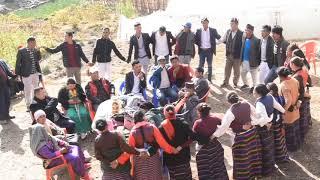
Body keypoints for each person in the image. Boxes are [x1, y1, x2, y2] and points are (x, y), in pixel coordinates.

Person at [210, 92, 262, 179]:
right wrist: (250, 124)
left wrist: (214, 135)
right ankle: (254, 173)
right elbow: (256, 115)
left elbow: (224, 127)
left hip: (239, 137)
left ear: (228, 101)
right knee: (252, 154)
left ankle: (242, 176)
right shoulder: (247, 103)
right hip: (251, 134)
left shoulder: (230, 112)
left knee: (241, 157)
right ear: (237, 98)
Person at [159, 105, 207, 180]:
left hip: (171, 159)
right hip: (184, 156)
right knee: (186, 175)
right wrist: (181, 146)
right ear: (175, 112)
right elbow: (193, 137)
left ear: (165, 114)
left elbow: (160, 143)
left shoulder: (162, 127)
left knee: (174, 176)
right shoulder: (183, 123)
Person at [128, 110, 178, 180]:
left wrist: (119, 160)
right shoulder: (152, 127)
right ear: (144, 118)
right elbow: (162, 143)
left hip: (139, 159)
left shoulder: (133, 132)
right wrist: (172, 150)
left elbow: (129, 149)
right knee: (155, 175)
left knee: (141, 177)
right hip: (153, 156)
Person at [253, 84, 286, 176]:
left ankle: (266, 168)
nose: (253, 93)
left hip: (263, 127)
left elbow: (263, 118)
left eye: (254, 91)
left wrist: (255, 123)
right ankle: (272, 164)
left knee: (263, 147)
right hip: (270, 126)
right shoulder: (270, 96)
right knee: (270, 145)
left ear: (259, 93)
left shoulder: (259, 103)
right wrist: (283, 111)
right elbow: (277, 105)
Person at [192, 103, 228, 180]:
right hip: (215, 146)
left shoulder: (197, 123)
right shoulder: (216, 119)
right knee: (218, 166)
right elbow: (224, 126)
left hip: (202, 148)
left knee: (205, 169)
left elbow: (193, 136)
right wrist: (216, 135)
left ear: (199, 112)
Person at [277, 67, 301, 151]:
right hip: (296, 111)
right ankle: (298, 144)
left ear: (280, 76)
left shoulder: (284, 85)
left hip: (289, 114)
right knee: (296, 129)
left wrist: (283, 110)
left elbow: (288, 100)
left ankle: (291, 148)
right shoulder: (294, 80)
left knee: (290, 132)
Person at [15, 37, 42, 110]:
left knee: (36, 88)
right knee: (27, 89)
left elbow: (39, 59)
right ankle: (28, 104)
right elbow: (18, 64)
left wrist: (39, 51)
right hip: (26, 74)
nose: (35, 44)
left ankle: (35, 102)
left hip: (35, 73)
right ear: (30, 42)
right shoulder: (21, 51)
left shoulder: (35, 50)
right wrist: (17, 74)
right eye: (34, 43)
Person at [266, 82, 289, 163]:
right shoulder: (281, 97)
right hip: (281, 121)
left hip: (275, 122)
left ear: (271, 91)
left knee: (276, 140)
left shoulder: (271, 100)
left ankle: (279, 158)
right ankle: (284, 155)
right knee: (281, 139)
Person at [290, 57, 312, 141]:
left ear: (294, 65)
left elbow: (300, 90)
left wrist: (299, 100)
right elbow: (308, 82)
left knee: (301, 117)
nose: (289, 65)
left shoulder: (297, 76)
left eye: (291, 64)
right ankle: (305, 129)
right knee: (305, 115)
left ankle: (302, 134)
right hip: (305, 96)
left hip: (301, 98)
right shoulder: (304, 69)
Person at [195, 17, 221, 82]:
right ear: (202, 23)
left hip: (209, 50)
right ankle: (200, 79)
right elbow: (195, 40)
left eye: (206, 23)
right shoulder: (198, 30)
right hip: (202, 51)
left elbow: (219, 37)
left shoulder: (213, 30)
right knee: (201, 65)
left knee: (210, 65)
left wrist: (219, 42)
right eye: (203, 23)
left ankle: (209, 80)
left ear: (208, 23)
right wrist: (200, 45)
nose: (205, 24)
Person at [220, 18, 244, 88]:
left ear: (237, 24)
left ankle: (235, 83)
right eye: (231, 24)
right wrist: (214, 43)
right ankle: (225, 82)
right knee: (227, 70)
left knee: (236, 71)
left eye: (233, 24)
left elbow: (244, 45)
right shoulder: (228, 31)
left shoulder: (242, 33)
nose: (231, 26)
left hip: (237, 56)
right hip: (229, 55)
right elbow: (222, 39)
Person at [240, 24, 261, 93]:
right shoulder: (244, 38)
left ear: (252, 31)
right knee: (242, 73)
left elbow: (259, 53)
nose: (247, 32)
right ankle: (246, 84)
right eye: (246, 30)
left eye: (248, 31)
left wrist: (258, 63)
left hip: (253, 62)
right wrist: (241, 60)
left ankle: (254, 87)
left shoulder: (257, 40)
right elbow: (242, 49)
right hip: (245, 61)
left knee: (254, 77)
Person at [0, 60, 16, 124]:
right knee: (1, 102)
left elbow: (7, 71)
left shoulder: (1, 62)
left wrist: (14, 75)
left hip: (5, 84)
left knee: (7, 101)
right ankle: (1, 119)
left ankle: (7, 115)